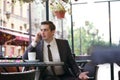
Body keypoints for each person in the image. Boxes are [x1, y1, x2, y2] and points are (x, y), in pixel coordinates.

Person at [23, 21, 89, 80]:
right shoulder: (37, 45)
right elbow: (24, 58)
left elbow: (71, 61)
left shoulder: (63, 44)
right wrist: (35, 41)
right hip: (46, 77)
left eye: (45, 30)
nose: (42, 33)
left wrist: (79, 74)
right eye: (41, 30)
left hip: (64, 76)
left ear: (53, 31)